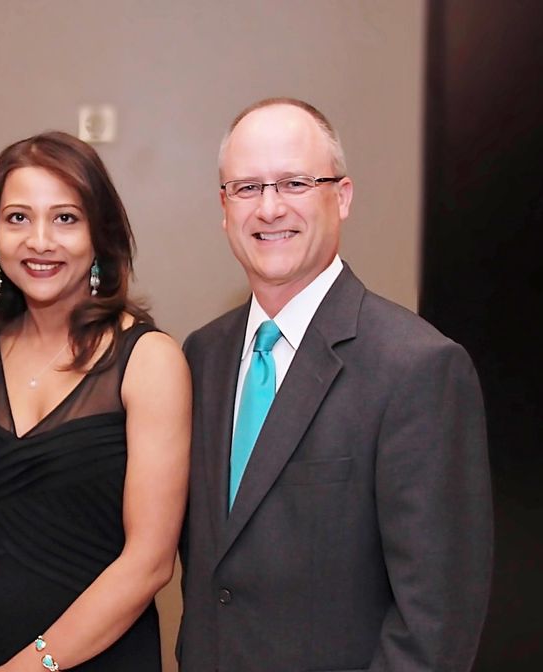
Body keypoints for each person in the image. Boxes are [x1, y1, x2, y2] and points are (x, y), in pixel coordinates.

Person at [177, 97, 493, 671]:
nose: (269, 208)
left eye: (294, 182)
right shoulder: (201, 356)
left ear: (342, 197)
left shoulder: (417, 367)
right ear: (223, 208)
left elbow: (436, 622)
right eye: (246, 188)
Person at [0, 131, 191, 671]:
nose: (39, 241)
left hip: (100, 657)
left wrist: (27, 669)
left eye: (65, 218)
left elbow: (150, 561)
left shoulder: (148, 360)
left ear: (99, 236)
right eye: (17, 218)